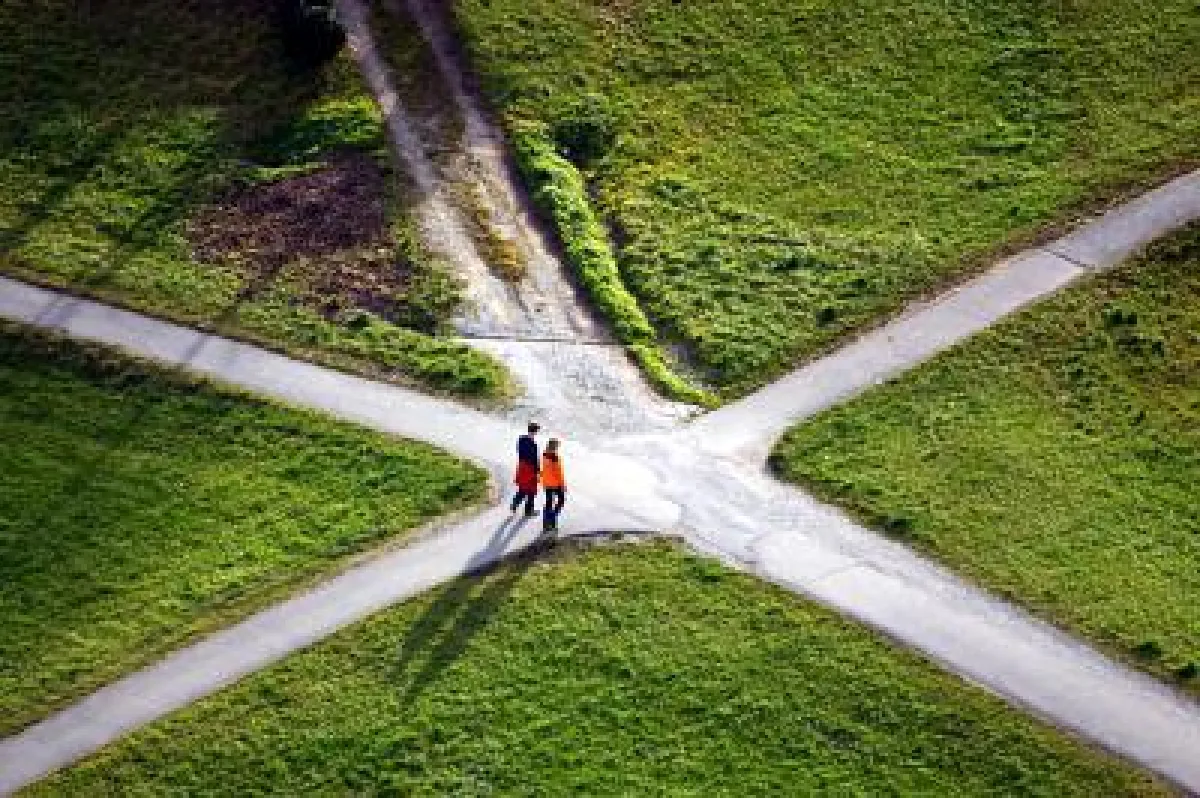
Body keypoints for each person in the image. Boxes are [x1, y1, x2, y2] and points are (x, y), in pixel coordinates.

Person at [510, 422, 540, 516]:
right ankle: (528, 511)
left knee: (523, 488)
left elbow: (519, 452)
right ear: (535, 431)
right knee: (531, 490)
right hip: (530, 468)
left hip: (522, 467)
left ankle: (515, 504)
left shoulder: (521, 439)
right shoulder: (533, 444)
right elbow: (533, 458)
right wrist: (537, 469)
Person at [541, 438, 566, 533]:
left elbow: (544, 469)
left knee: (549, 502)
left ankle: (546, 524)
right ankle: (552, 519)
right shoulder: (554, 457)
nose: (557, 448)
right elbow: (558, 473)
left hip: (547, 483)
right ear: (554, 446)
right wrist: (562, 485)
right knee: (561, 500)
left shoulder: (544, 455)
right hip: (555, 483)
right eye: (557, 446)